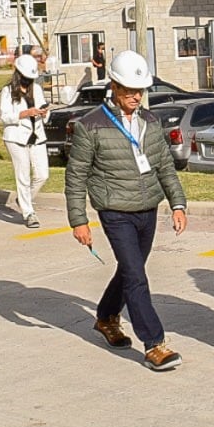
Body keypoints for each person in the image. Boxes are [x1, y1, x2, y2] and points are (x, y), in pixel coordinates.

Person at [66, 50, 188, 372]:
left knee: (128, 270)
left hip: (148, 208)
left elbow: (164, 166)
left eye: (140, 91)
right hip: (115, 210)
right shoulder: (91, 126)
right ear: (115, 87)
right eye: (130, 90)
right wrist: (79, 220)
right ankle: (155, 344)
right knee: (136, 275)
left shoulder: (150, 121)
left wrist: (178, 203)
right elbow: (76, 175)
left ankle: (106, 317)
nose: (136, 97)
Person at [0, 53, 49, 229]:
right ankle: (29, 213)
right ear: (19, 74)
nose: (29, 81)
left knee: (43, 174)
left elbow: (44, 109)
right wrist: (24, 114)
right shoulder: (7, 91)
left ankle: (23, 199)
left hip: (37, 136)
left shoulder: (37, 89)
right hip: (16, 137)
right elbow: (5, 117)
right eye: (27, 77)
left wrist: (44, 113)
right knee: (23, 176)